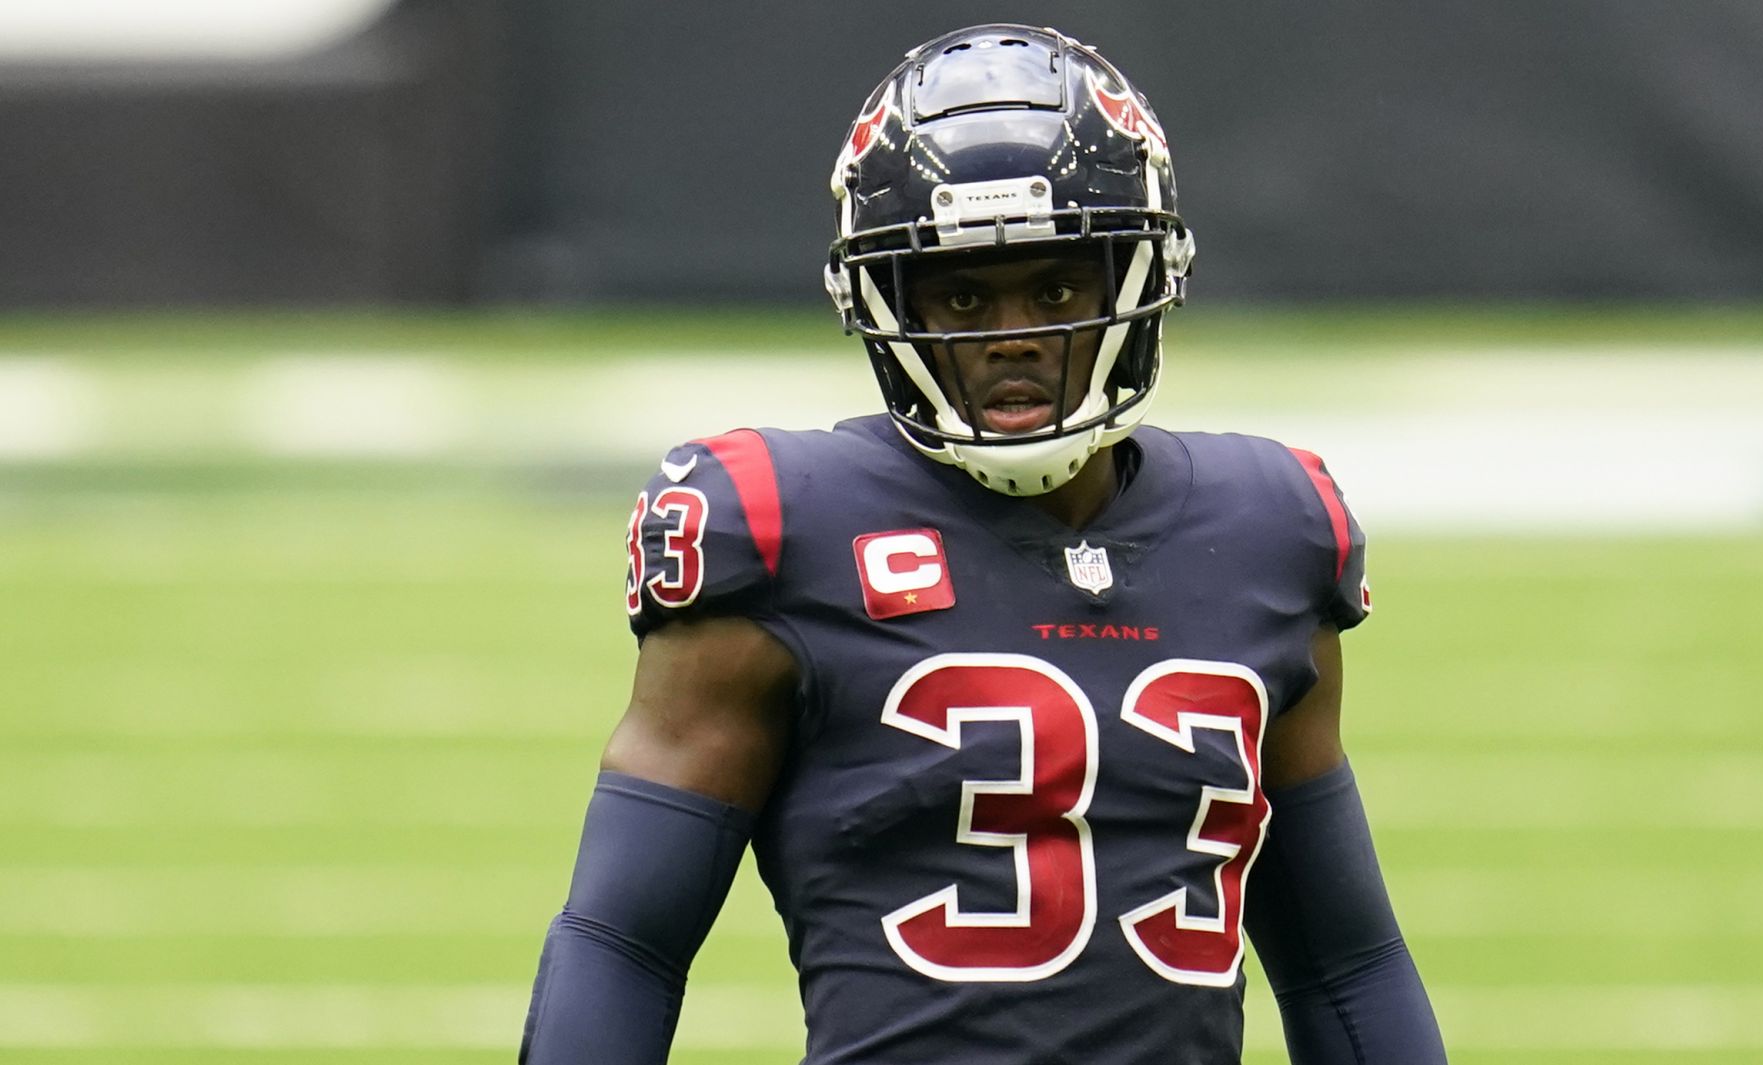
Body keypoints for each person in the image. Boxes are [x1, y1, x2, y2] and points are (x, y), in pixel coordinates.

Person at [521, 23, 1446, 1065]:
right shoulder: (780, 527)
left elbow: (1342, 961)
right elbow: (623, 942)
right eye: (962, 294)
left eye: (1054, 290)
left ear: (1135, 281)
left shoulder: (1270, 526)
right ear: (879, 303)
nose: (1008, 334)